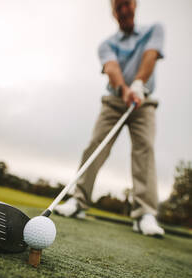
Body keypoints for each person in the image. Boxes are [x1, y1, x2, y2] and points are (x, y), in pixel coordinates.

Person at [55, 0, 165, 236]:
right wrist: (126, 90)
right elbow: (112, 69)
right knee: (96, 145)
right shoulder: (107, 44)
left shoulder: (154, 30)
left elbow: (150, 56)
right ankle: (78, 202)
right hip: (115, 101)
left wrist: (137, 84)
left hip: (143, 101)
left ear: (135, 5)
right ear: (113, 12)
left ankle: (145, 213)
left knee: (144, 148)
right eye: (118, 7)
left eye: (127, 4)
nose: (123, 10)